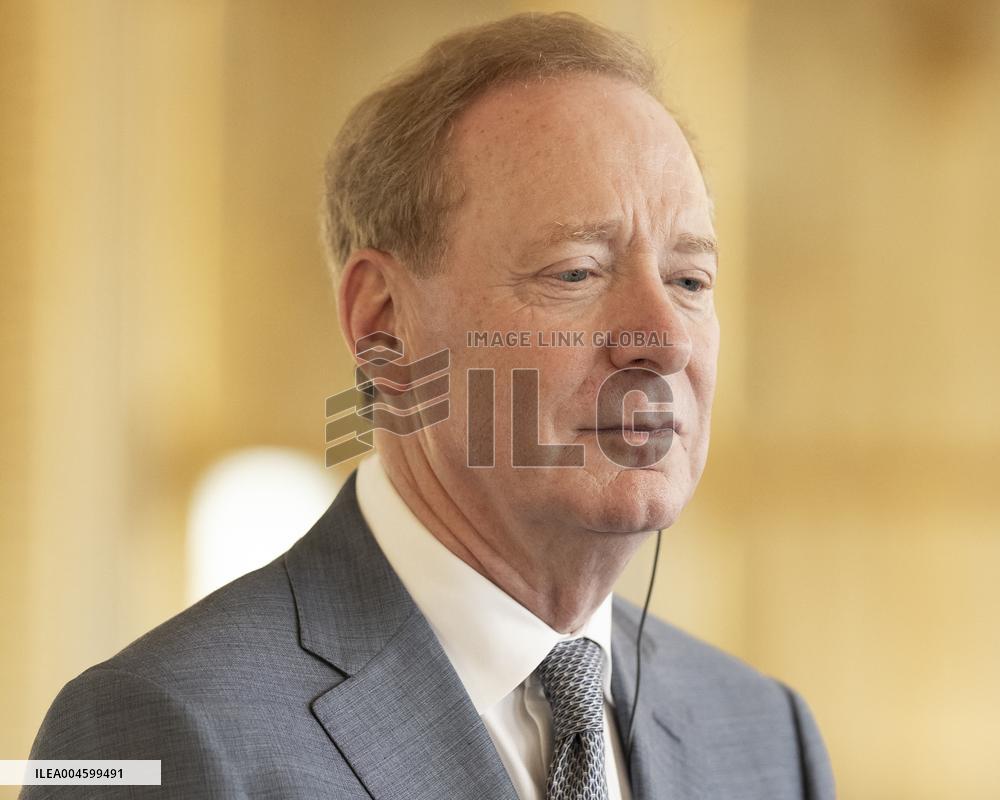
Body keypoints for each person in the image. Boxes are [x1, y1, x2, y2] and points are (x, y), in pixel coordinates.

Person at [25, 12, 835, 799]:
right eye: (575, 273)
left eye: (690, 280)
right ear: (383, 324)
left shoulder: (765, 736)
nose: (664, 340)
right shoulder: (158, 733)